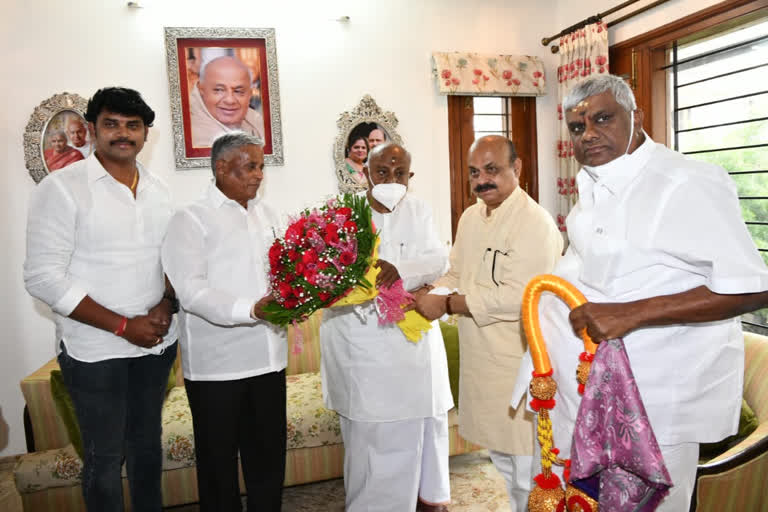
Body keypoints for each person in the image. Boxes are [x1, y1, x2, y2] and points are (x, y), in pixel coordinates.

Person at [509, 74, 768, 511]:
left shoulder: (684, 180)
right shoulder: (594, 182)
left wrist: (632, 313)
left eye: (603, 118)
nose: (588, 134)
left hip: (652, 409)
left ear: (637, 116)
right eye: (577, 126)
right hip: (580, 399)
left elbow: (752, 288)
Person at [24, 87, 177, 511]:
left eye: (133, 126)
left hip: (156, 344)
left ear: (146, 133)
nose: (123, 134)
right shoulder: (62, 189)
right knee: (105, 459)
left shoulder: (159, 188)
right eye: (112, 124)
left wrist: (165, 305)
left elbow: (169, 260)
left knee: (147, 447)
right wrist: (124, 326)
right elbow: (42, 278)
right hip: (95, 352)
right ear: (92, 130)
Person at [416, 135, 563, 511]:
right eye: (474, 172)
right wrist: (427, 292)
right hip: (482, 362)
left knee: (529, 468)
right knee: (502, 461)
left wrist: (448, 303)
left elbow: (521, 296)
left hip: (519, 362)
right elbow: (457, 270)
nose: (482, 180)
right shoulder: (470, 217)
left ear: (517, 169)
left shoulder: (535, 223)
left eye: (492, 170)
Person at [321, 143, 454, 512]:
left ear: (410, 177)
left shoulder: (420, 209)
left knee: (418, 431)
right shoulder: (344, 214)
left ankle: (422, 502)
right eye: (382, 172)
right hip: (360, 350)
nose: (391, 180)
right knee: (370, 439)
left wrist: (399, 269)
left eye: (400, 174)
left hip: (412, 350)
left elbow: (438, 257)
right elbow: (329, 274)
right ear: (365, 172)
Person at [161, 132, 286, 511]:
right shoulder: (190, 219)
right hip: (217, 369)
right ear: (220, 167)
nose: (259, 175)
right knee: (218, 471)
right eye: (250, 166)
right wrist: (251, 309)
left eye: (261, 166)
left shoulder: (270, 215)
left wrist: (298, 295)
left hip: (269, 360)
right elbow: (192, 292)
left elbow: (281, 276)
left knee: (268, 464)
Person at [189, 56, 266, 148]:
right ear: (201, 89)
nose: (230, 100)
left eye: (238, 91)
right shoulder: (190, 134)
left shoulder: (256, 120)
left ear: (250, 94)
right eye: (219, 90)